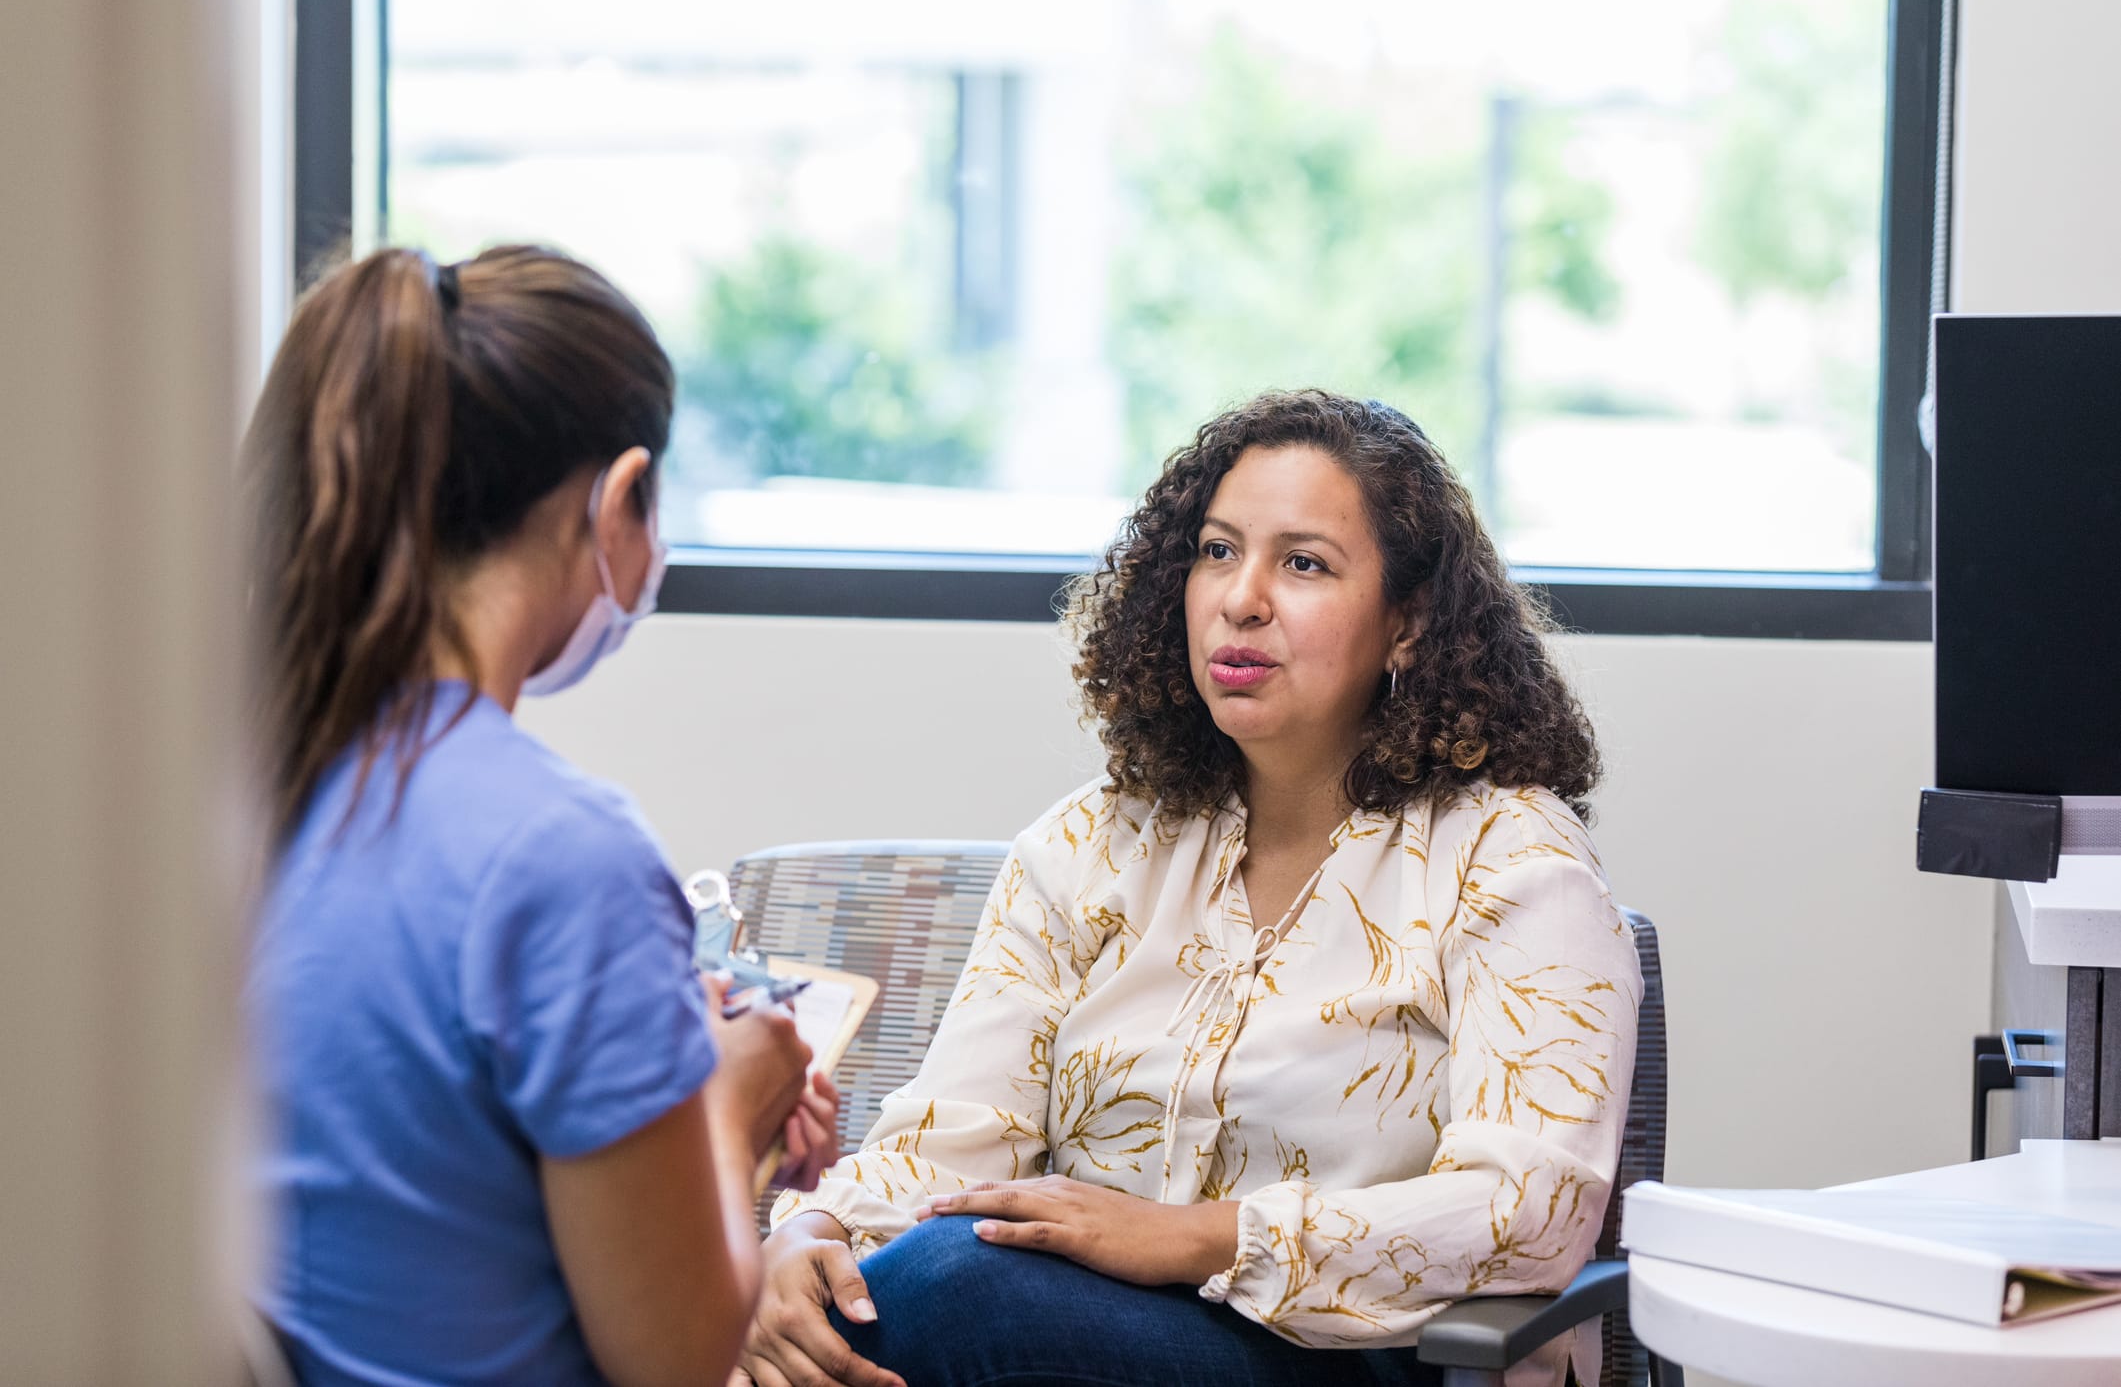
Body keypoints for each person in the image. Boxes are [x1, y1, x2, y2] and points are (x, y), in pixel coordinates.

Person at [740, 390, 1642, 1387]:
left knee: (957, 1287)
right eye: (1217, 551)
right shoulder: (1091, 840)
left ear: (1409, 622)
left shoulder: (1512, 857)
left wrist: (1195, 1238)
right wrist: (806, 1234)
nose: (1241, 596)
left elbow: (1532, 1210)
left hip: (1370, 1357)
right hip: (1090, 1341)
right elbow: (956, 1137)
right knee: (825, 1301)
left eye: (1303, 563)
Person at [243, 244, 838, 1387]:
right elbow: (674, 1356)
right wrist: (729, 1104)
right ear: (619, 499)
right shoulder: (562, 858)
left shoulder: (254, 782)